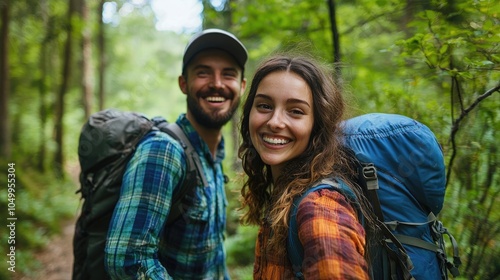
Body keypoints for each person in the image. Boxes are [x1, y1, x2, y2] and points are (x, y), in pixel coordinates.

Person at [105, 29, 247, 279]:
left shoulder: (212, 156)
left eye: (229, 74)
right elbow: (127, 259)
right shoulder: (164, 151)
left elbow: (213, 258)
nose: (217, 83)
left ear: (242, 86)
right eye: (203, 72)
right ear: (184, 83)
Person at [238, 54, 376, 279]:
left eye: (296, 111)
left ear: (317, 125)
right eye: (264, 106)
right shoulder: (286, 195)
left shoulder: (320, 207)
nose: (274, 121)